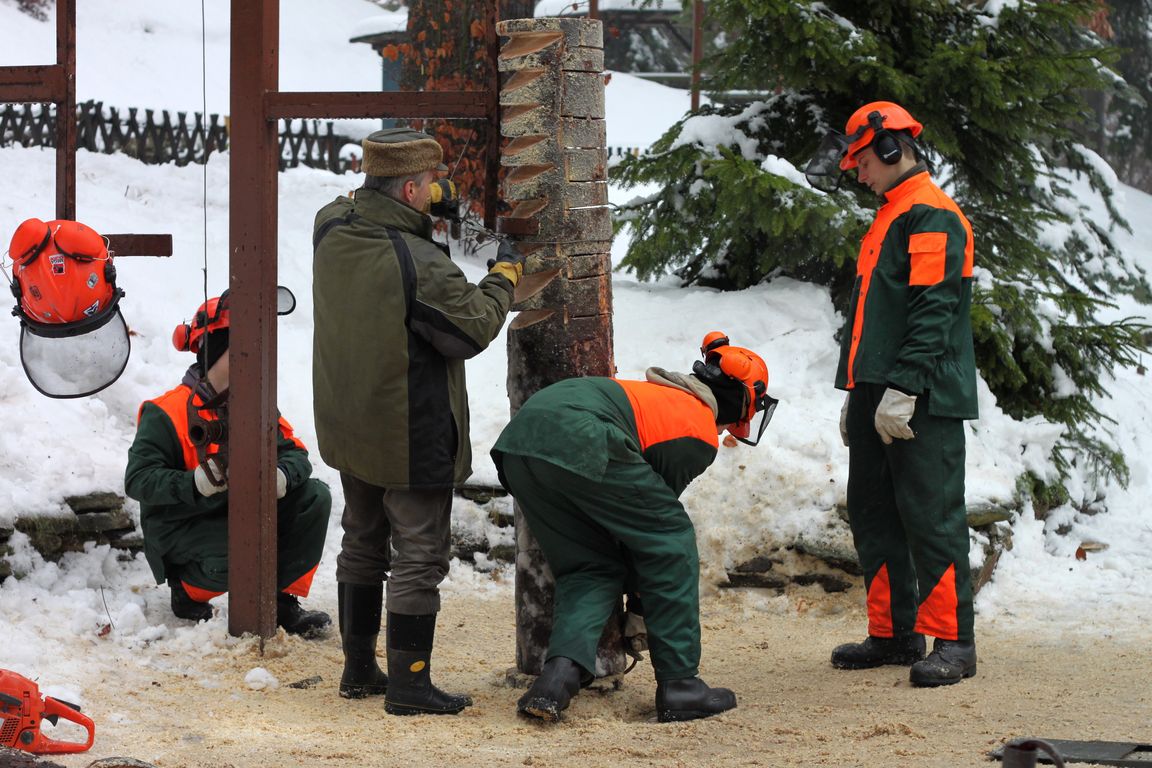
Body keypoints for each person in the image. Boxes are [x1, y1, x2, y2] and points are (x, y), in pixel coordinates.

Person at [312, 128, 523, 715]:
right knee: (419, 556)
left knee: (362, 540)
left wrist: (434, 204)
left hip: (351, 420)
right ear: (409, 189)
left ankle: (358, 669)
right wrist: (504, 275)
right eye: (428, 183)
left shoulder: (331, 224)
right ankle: (409, 685)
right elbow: (469, 328)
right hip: (407, 429)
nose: (436, 190)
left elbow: (374, 211)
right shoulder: (418, 260)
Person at [491, 333, 777, 723]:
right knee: (673, 541)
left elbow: (635, 519)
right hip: (581, 436)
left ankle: (556, 680)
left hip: (519, 444)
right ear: (742, 401)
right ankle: (681, 684)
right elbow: (652, 539)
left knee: (590, 566)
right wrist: (641, 608)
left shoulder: (659, 396)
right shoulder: (694, 427)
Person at [826, 101, 979, 686]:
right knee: (873, 511)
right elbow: (876, 316)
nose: (859, 173)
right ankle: (894, 633)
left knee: (931, 516)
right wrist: (859, 391)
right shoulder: (892, 213)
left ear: (891, 148)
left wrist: (905, 386)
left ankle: (954, 643)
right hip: (878, 389)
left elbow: (933, 310)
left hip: (923, 394)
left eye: (863, 161)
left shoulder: (930, 215)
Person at [125, 292, 332, 637]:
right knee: (243, 551)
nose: (252, 358)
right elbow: (138, 480)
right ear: (216, 350)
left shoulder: (254, 403)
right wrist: (194, 483)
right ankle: (187, 591)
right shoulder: (165, 411)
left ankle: (281, 602)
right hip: (184, 524)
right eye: (242, 348)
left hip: (235, 514)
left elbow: (296, 454)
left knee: (314, 497)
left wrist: (281, 476)